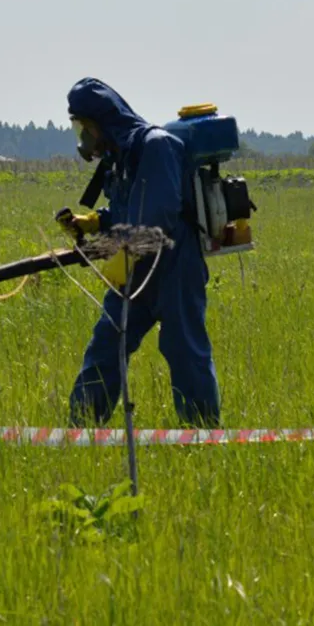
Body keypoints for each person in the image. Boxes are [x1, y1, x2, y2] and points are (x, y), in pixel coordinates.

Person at [58, 77, 221, 428]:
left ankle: (203, 434)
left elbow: (157, 214)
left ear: (103, 122)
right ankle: (81, 428)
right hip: (133, 272)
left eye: (84, 129)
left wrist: (122, 253)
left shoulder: (156, 146)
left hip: (175, 270)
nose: (83, 139)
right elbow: (125, 212)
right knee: (105, 347)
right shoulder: (120, 157)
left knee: (184, 351)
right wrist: (94, 223)